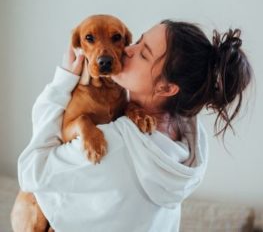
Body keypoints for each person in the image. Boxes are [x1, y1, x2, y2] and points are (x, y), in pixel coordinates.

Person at [18, 19, 252, 232]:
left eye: (143, 54)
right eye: (138, 41)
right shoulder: (190, 139)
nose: (127, 51)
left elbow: (30, 171)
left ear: (167, 88)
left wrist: (62, 82)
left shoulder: (114, 144)